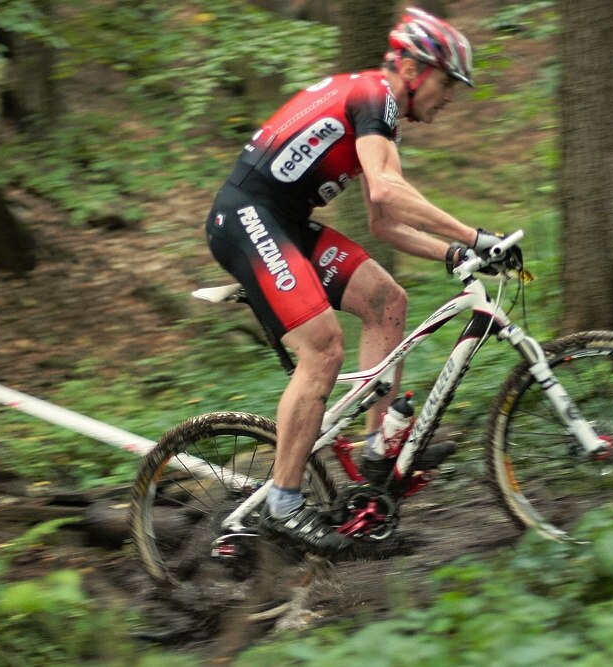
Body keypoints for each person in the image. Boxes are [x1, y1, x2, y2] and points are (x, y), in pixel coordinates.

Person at [204, 8, 511, 555]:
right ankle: (284, 503)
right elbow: (389, 191)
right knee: (323, 348)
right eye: (446, 84)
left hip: (284, 223)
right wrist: (476, 235)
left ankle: (376, 451)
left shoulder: (380, 111)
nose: (449, 98)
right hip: (247, 218)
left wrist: (455, 252)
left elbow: (382, 220)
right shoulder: (375, 96)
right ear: (413, 69)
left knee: (387, 300)